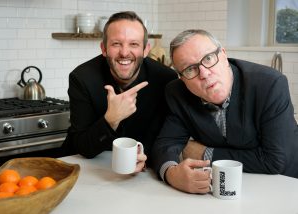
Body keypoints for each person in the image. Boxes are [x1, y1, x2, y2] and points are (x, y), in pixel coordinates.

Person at [152, 29, 298, 193]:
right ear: (182, 78)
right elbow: (166, 144)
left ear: (223, 55)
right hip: (226, 188)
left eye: (208, 58)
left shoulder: (270, 84)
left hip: (284, 185)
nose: (205, 74)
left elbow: (276, 160)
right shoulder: (177, 93)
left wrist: (206, 154)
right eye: (190, 69)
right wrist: (171, 174)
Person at [62, 11, 177, 173]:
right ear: (104, 48)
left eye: (134, 44)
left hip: (142, 172)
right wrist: (111, 119)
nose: (124, 52)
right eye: (116, 44)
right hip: (87, 168)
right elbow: (82, 146)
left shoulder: (166, 79)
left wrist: (145, 157)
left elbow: (165, 138)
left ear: (145, 50)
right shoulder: (82, 78)